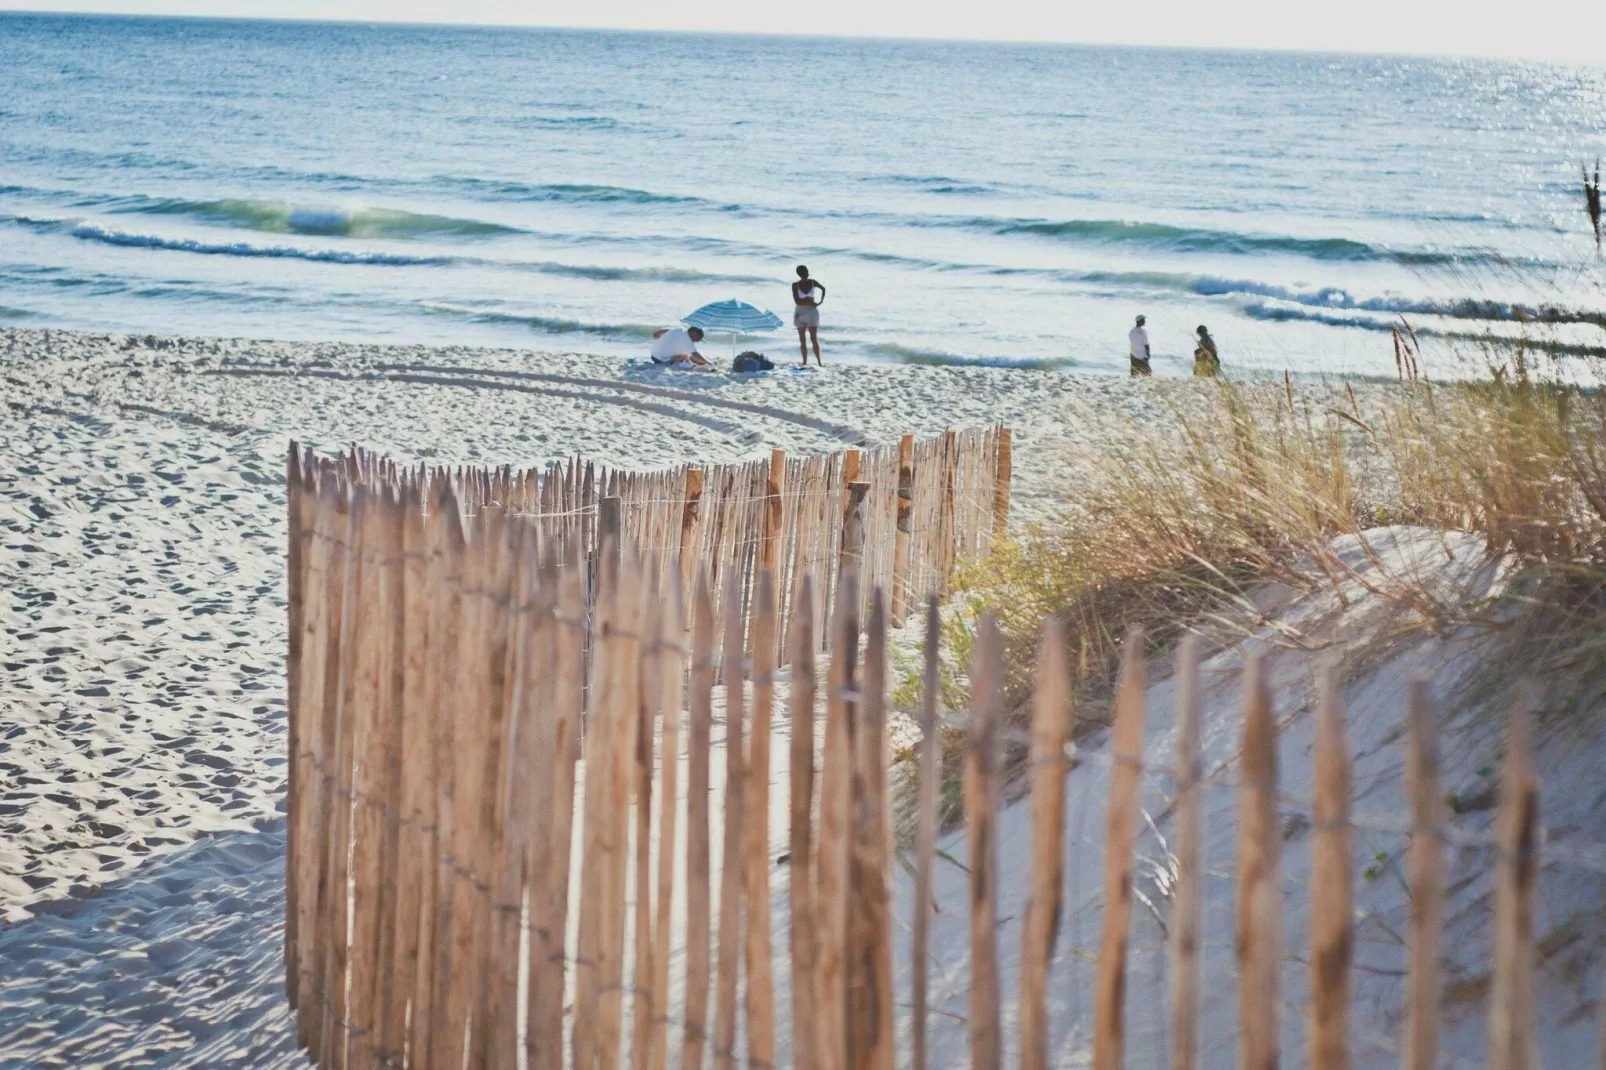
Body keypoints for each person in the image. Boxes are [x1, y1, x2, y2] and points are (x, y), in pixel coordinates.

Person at [792, 265, 826, 366]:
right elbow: (797, 301)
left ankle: (818, 362)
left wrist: (820, 302)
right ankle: (807, 362)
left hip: (809, 312)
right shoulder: (796, 285)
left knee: (812, 339)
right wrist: (815, 303)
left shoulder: (812, 282)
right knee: (804, 340)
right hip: (803, 312)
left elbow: (823, 289)